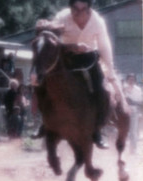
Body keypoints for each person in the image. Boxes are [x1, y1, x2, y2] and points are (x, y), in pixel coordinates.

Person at [36, 0, 118, 149]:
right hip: (66, 58)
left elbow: (104, 46)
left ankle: (97, 131)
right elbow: (50, 39)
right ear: (70, 7)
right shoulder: (61, 17)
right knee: (43, 84)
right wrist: (71, 46)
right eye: (75, 9)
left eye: (82, 9)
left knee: (102, 90)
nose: (78, 13)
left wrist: (110, 69)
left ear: (88, 9)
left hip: (90, 59)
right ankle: (44, 123)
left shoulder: (98, 22)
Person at [123, 75, 142, 154]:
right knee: (123, 130)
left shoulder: (138, 89)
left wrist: (132, 101)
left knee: (133, 131)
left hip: (134, 111)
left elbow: (141, 102)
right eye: (130, 79)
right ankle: (122, 149)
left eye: (133, 79)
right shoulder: (123, 88)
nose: (131, 81)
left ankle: (133, 149)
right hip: (124, 111)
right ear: (127, 80)